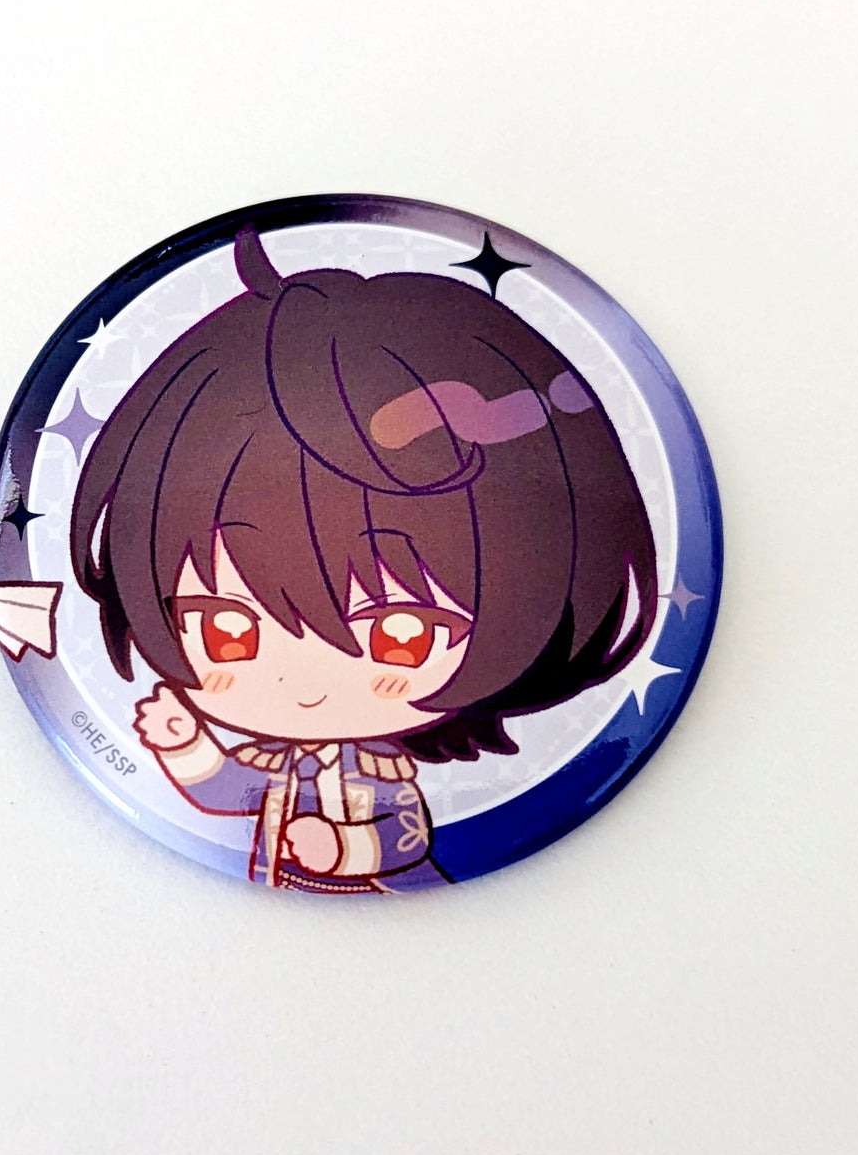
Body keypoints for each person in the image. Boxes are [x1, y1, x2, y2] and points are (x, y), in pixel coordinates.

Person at [69, 228, 659, 892]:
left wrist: (337, 850)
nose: (306, 685)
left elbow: (403, 839)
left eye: (400, 633)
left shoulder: (382, 775)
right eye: (227, 629)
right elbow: (230, 795)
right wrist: (186, 745)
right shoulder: (275, 758)